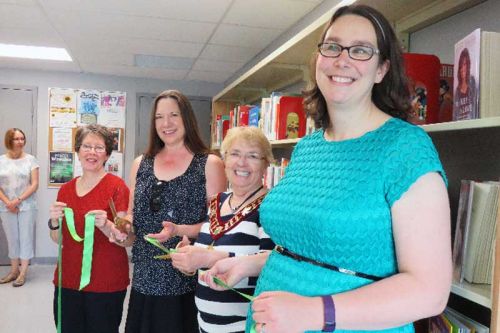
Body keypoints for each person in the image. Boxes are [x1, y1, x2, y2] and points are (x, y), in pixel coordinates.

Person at [203, 5, 451, 333]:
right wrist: (246, 265)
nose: (341, 59)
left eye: (360, 50)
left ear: (382, 69)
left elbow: (429, 292)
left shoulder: (405, 148)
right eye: (332, 46)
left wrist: (313, 312)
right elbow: (306, 251)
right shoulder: (307, 147)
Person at [121, 89, 226, 333]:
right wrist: (123, 226)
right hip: (143, 280)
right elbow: (131, 215)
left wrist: (180, 230)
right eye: (159, 117)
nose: (166, 123)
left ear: (186, 118)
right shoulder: (141, 164)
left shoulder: (209, 164)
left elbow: (218, 228)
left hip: (185, 282)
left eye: (173, 115)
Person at [169, 126, 275, 333]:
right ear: (224, 161)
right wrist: (190, 259)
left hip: (246, 325)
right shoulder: (218, 201)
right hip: (206, 324)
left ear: (266, 165)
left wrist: (208, 258)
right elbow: (210, 253)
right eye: (235, 154)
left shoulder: (270, 206)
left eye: (252, 156)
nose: (242, 163)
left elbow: (272, 262)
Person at [48, 124, 130, 333]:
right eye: (86, 146)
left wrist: (107, 226)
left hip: (106, 281)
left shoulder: (117, 187)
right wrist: (54, 222)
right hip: (68, 279)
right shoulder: (65, 190)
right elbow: (59, 239)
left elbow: (127, 239)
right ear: (78, 150)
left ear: (107, 154)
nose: (92, 152)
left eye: (99, 147)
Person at [0, 128, 39, 287]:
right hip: (5, 206)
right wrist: (8, 202)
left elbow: (34, 184)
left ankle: (23, 273)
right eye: (16, 139)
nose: (20, 142)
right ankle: (13, 271)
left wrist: (17, 200)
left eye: (22, 138)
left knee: (25, 238)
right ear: (9, 141)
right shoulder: (1, 160)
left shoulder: (31, 160)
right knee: (12, 239)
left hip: (26, 205)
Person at [453, 47, 478, 120]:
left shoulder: (473, 83)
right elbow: (455, 116)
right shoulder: (457, 91)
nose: (462, 69)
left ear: (468, 65)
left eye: (465, 64)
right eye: (461, 66)